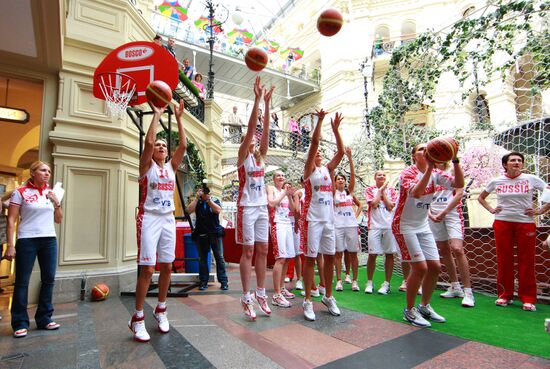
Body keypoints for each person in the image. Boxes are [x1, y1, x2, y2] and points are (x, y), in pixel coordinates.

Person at [129, 100, 187, 342]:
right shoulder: (146, 167)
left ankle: (161, 309)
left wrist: (180, 118)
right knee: (148, 269)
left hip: (167, 220)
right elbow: (149, 141)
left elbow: (183, 145)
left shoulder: (172, 168)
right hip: (149, 218)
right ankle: (138, 317)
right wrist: (157, 114)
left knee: (166, 267)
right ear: (152, 152)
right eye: (159, 145)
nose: (161, 146)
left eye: (165, 144)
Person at [392, 143, 464, 328]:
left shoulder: (437, 175)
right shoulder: (407, 174)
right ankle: (409, 310)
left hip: (423, 225)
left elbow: (458, 184)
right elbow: (416, 193)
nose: (425, 152)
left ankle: (424, 306)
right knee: (420, 267)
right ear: (414, 156)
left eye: (427, 149)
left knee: (435, 266)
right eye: (420, 150)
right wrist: (430, 168)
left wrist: (454, 160)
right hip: (404, 225)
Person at [478, 151, 549, 312]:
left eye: (519, 160)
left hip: (525, 223)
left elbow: (549, 193)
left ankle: (529, 299)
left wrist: (539, 211)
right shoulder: (496, 181)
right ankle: (504, 295)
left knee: (527, 260)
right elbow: (481, 198)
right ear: (505, 164)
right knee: (504, 259)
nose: (516, 162)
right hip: (502, 222)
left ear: (522, 164)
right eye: (512, 160)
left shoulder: (531, 179)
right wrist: (491, 209)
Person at [5, 161, 63, 338]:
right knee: (22, 281)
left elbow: (58, 220)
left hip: (49, 240)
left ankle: (44, 318)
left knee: (49, 279)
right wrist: (10, 245)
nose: (47, 174)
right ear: (32, 172)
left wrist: (56, 203)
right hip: (27, 239)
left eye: (49, 171)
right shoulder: (20, 192)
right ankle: (20, 322)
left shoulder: (51, 192)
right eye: (43, 170)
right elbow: (11, 220)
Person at [236, 77, 275, 320]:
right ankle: (246, 296)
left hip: (261, 207)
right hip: (247, 207)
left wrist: (268, 105)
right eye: (250, 137)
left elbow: (265, 132)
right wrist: (256, 99)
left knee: (263, 249)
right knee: (248, 251)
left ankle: (261, 293)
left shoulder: (260, 157)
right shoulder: (242, 157)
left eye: (255, 139)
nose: (253, 139)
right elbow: (252, 129)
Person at [302, 109, 344, 321]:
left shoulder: (328, 170)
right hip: (313, 220)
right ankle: (308, 300)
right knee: (310, 259)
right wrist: (319, 121)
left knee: (329, 258)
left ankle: (328, 295)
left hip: (329, 220)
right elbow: (315, 143)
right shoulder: (309, 170)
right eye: (316, 153)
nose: (319, 153)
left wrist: (336, 131)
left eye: (320, 153)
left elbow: (341, 152)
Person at [428, 162, 475, 307]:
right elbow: (425, 196)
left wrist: (445, 212)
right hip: (433, 214)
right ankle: (455, 286)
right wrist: (429, 212)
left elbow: (460, 192)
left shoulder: (453, 170)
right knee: (443, 249)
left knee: (457, 248)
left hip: (452, 213)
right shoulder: (429, 173)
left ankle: (468, 292)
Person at [186, 186, 228, 291]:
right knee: (203, 259)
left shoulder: (214, 200)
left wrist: (208, 200)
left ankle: (223, 282)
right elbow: (188, 211)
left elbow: (217, 210)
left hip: (215, 233)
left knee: (220, 258)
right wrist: (196, 198)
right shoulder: (197, 202)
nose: (203, 193)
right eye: (201, 191)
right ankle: (203, 282)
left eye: (204, 191)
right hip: (201, 234)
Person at [364, 170, 399, 295]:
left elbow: (390, 206)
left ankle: (387, 284)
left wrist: (383, 191)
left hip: (389, 226)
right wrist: (379, 191)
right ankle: (369, 282)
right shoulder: (369, 190)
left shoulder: (392, 190)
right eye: (379, 175)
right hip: (374, 226)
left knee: (389, 254)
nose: (382, 176)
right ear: (375, 177)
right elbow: (373, 204)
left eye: (384, 175)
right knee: (372, 254)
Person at [334, 148, 362, 292]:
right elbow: (331, 171)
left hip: (351, 225)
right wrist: (336, 156)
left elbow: (353, 177)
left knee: (353, 253)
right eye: (338, 179)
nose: (341, 180)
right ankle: (339, 280)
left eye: (342, 179)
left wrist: (350, 158)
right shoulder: (333, 193)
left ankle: (354, 280)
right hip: (337, 226)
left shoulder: (349, 192)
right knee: (338, 253)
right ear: (335, 182)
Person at [267, 172, 296, 307]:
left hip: (288, 225)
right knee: (280, 258)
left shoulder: (285, 192)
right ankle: (276, 295)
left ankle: (282, 288)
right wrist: (285, 193)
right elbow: (272, 203)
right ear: (274, 179)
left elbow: (293, 210)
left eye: (283, 175)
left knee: (287, 258)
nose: (281, 177)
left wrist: (289, 196)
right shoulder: (271, 189)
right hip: (277, 224)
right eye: (278, 175)